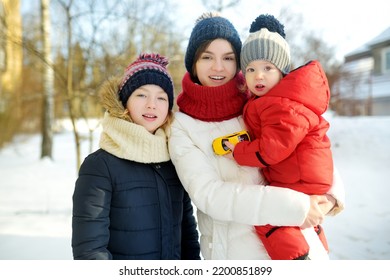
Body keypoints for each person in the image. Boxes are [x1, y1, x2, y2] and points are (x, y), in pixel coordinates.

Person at [168, 12, 345, 260]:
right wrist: (296, 206)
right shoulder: (182, 126)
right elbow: (211, 195)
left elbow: (309, 143)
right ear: (193, 63)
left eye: (228, 58)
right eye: (207, 57)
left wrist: (329, 194)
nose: (218, 67)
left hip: (298, 241)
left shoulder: (258, 101)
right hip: (236, 255)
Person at [224, 14, 333, 260]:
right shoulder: (277, 100)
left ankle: (296, 258)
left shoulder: (281, 104)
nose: (258, 76)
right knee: (302, 220)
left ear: (282, 71)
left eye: (267, 68)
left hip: (301, 178)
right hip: (303, 175)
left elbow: (272, 150)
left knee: (269, 220)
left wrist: (239, 151)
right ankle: (318, 244)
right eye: (250, 69)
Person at [71, 53, 200, 260]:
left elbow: (188, 238)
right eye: (141, 95)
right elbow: (90, 251)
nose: (152, 104)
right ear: (124, 103)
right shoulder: (100, 166)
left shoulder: (175, 160)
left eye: (161, 97)